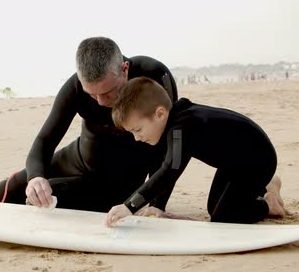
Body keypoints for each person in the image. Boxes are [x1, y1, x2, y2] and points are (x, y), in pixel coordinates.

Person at [0, 37, 178, 212]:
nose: (101, 102)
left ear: (125, 69)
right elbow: (45, 140)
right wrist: (36, 178)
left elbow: (170, 149)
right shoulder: (75, 87)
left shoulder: (154, 78)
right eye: (91, 94)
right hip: (77, 158)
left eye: (108, 92)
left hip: (116, 182)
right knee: (3, 193)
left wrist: (157, 205)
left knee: (49, 197)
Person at [105, 77, 284, 226]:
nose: (137, 138)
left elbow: (169, 171)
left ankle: (269, 204)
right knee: (214, 208)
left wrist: (129, 206)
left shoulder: (181, 129)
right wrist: (158, 206)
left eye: (137, 130)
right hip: (233, 164)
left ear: (159, 114)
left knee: (224, 218)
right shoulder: (172, 122)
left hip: (258, 160)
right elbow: (168, 166)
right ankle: (267, 186)